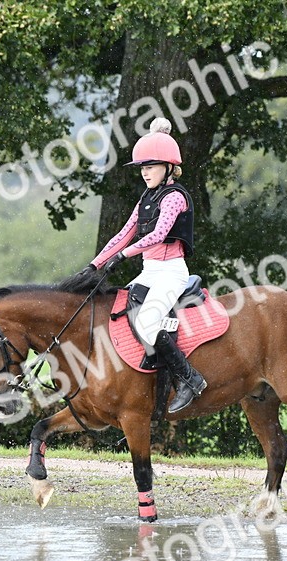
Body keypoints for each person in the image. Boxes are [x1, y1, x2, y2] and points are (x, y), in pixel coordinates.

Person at [80, 117, 206, 414]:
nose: (145, 172)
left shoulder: (174, 197)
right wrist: (94, 265)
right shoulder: (147, 198)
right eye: (142, 168)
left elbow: (159, 234)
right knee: (118, 316)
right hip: (149, 273)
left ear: (168, 167)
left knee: (148, 321)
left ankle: (189, 379)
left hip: (171, 272)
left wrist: (124, 256)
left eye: (150, 166)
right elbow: (124, 233)